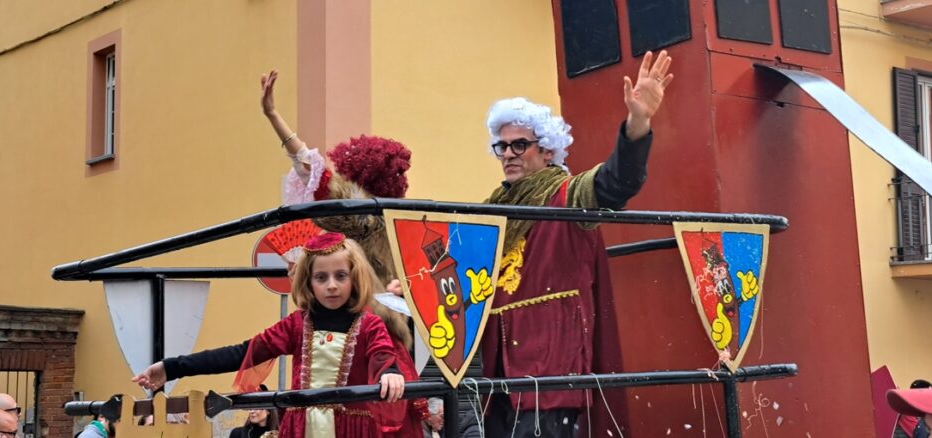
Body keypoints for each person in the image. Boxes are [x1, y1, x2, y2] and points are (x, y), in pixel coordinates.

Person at [473, 50, 673, 437]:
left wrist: (638, 123)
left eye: (520, 145)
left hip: (552, 366)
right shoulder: (492, 211)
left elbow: (615, 183)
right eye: (503, 146)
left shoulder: (569, 194)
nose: (509, 154)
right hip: (497, 370)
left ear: (547, 150)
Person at [261, 69, 427, 437]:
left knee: (352, 415)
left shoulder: (362, 218)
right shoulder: (401, 227)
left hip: (361, 337)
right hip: (385, 339)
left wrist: (273, 116)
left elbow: (310, 169)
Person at [133, 232, 406, 437]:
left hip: (352, 430)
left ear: (354, 277)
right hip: (300, 429)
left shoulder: (369, 324)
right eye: (321, 277)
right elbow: (242, 353)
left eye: (341, 275)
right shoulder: (296, 325)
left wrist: (390, 373)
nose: (331, 285)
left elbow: (382, 354)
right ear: (309, 282)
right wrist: (173, 367)